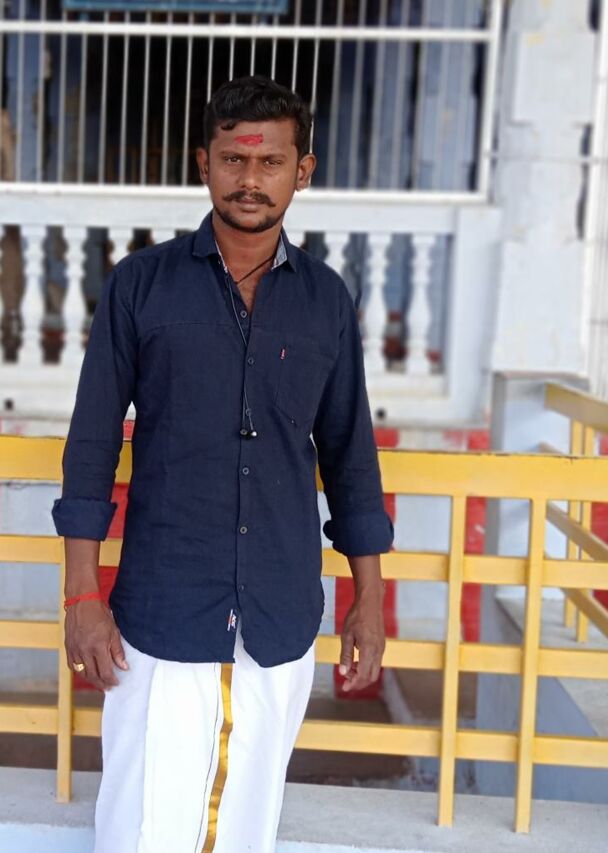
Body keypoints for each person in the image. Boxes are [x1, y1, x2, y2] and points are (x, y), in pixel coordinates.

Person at [51, 75, 394, 853]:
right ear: (204, 163)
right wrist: (81, 593)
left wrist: (369, 598)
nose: (250, 179)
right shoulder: (141, 285)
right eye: (234, 160)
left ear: (303, 171)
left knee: (247, 821)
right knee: (143, 821)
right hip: (162, 608)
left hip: (279, 606)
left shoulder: (325, 301)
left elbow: (351, 456)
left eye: (271, 162)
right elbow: (92, 445)